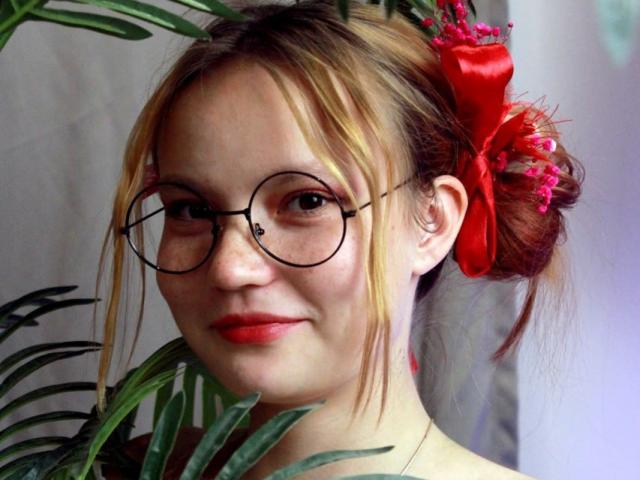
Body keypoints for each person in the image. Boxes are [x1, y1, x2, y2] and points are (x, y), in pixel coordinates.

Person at [99, 0, 582, 478]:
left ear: (433, 220)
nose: (230, 267)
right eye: (191, 210)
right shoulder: (132, 470)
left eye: (307, 202)